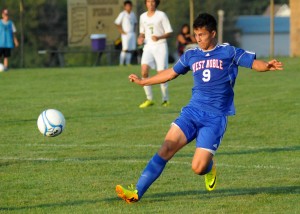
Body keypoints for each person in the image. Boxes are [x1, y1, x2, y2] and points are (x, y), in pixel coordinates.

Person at [115, 13, 283, 203]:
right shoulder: (191, 55)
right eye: (196, 35)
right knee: (166, 148)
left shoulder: (229, 52)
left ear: (212, 33)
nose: (198, 39)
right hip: (192, 112)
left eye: (201, 35)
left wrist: (267, 65)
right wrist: (144, 81)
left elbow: (253, 63)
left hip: (215, 118)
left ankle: (209, 167)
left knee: (198, 168)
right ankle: (136, 191)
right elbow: (170, 73)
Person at [137, 0, 173, 108]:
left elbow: (169, 32)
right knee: (144, 71)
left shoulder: (161, 15)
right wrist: (140, 38)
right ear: (146, 3)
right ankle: (149, 99)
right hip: (148, 46)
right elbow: (142, 32)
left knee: (161, 73)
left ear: (156, 3)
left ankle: (165, 99)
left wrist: (159, 37)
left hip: (160, 46)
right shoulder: (142, 16)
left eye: (153, 2)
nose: (151, 4)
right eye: (148, 2)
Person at [114, 1, 137, 66]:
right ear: (125, 7)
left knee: (130, 49)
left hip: (131, 33)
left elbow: (135, 23)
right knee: (125, 48)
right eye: (127, 6)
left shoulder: (133, 14)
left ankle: (128, 62)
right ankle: (121, 63)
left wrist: (134, 31)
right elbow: (117, 23)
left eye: (130, 6)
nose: (129, 7)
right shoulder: (123, 14)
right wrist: (121, 31)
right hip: (125, 34)